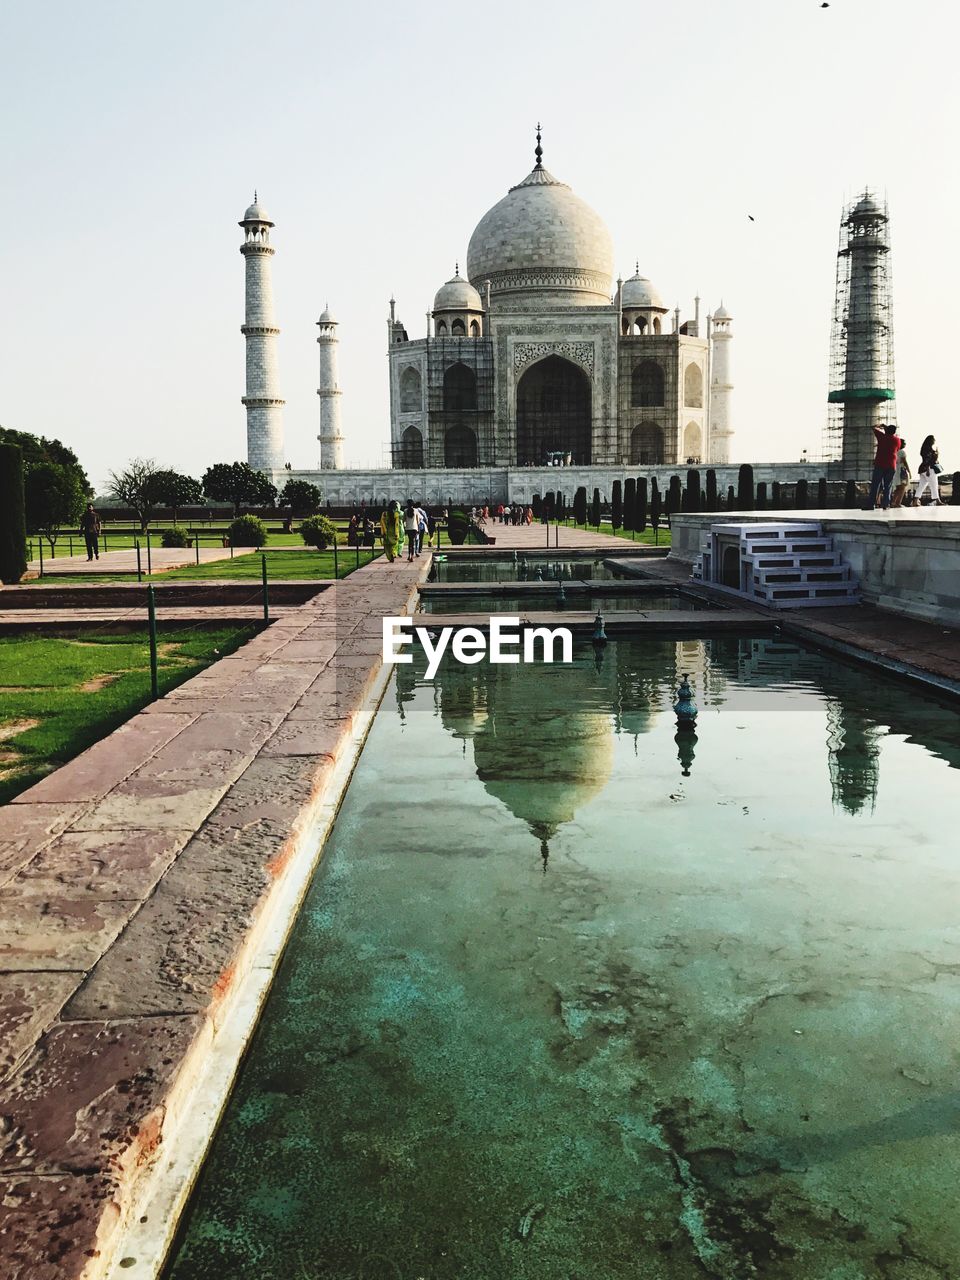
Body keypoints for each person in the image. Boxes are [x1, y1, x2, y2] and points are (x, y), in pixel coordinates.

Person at [866, 422, 901, 510]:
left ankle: (871, 504)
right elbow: (897, 449)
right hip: (891, 465)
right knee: (887, 486)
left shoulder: (882, 437)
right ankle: (885, 504)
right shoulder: (897, 440)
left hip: (880, 464)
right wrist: (886, 428)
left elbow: (872, 427)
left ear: (886, 430)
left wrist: (881, 426)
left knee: (875, 485)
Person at [915, 435, 943, 506]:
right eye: (934, 440)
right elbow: (928, 460)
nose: (934, 441)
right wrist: (928, 469)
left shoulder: (924, 449)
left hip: (922, 469)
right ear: (931, 441)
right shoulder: (929, 450)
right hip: (929, 469)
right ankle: (937, 500)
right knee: (934, 484)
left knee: (921, 485)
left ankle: (915, 500)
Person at [890, 437, 911, 508]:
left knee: (898, 488)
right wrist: (909, 471)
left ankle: (893, 502)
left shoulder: (894, 450)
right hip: (902, 470)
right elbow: (905, 462)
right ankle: (898, 503)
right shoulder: (902, 452)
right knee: (902, 487)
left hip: (895, 469)